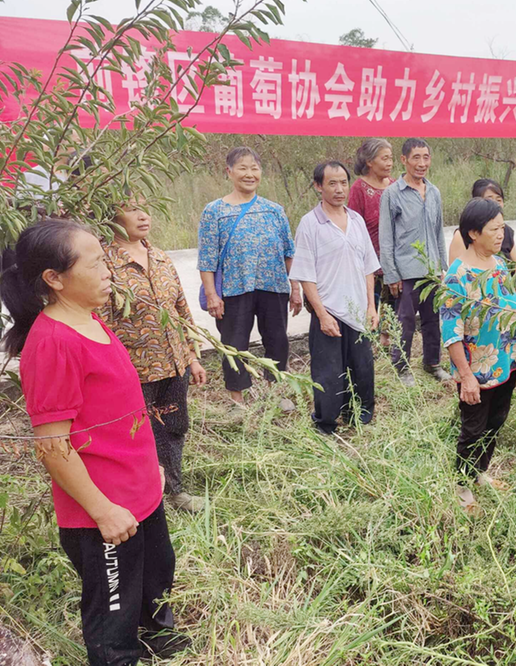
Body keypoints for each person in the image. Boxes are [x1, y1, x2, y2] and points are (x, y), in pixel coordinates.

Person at [2, 218, 191, 664]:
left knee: (155, 577)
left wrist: (150, 467)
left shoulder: (90, 320)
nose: (109, 271)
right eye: (96, 264)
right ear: (55, 278)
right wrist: (103, 510)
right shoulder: (52, 344)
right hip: (101, 511)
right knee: (113, 614)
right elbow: (53, 446)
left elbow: (118, 412)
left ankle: (158, 638)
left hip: (140, 492)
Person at [100, 200, 208, 513]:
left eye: (145, 208)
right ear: (112, 216)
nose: (143, 215)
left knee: (173, 429)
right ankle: (145, 501)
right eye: (132, 209)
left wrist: (192, 357)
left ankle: (175, 492)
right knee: (135, 437)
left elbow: (181, 311)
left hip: (174, 365)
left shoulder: (159, 257)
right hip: (134, 370)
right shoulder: (105, 263)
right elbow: (103, 324)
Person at [441, 198, 516, 513]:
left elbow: (514, 309)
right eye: (494, 229)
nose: (501, 234)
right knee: (473, 427)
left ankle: (479, 473)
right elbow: (452, 333)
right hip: (477, 369)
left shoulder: (500, 264)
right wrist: (466, 376)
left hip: (505, 361)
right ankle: (461, 484)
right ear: (473, 233)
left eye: (502, 227)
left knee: (496, 421)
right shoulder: (458, 277)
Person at [197, 146, 300, 407]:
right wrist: (212, 295)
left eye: (254, 168)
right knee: (234, 346)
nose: (249, 174)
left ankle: (276, 391)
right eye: (243, 168)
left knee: (277, 340)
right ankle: (237, 399)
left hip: (273, 286)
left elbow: (289, 252)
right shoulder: (214, 211)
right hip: (233, 290)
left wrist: (295, 288)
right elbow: (207, 259)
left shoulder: (274, 210)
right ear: (229, 172)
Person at [290, 161, 380, 436]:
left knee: (363, 370)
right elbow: (306, 275)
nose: (339, 189)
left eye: (343, 182)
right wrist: (322, 314)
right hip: (329, 312)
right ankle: (326, 424)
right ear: (319, 186)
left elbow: (368, 267)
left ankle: (359, 417)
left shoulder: (356, 220)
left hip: (358, 311)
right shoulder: (310, 223)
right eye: (332, 183)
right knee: (328, 375)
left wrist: (371, 306)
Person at [378, 137, 449, 387]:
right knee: (405, 322)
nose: (421, 163)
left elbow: (439, 231)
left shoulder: (434, 192)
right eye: (416, 157)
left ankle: (432, 363)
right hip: (406, 271)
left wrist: (444, 269)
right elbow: (386, 238)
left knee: (433, 321)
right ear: (404, 160)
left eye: (425, 157)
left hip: (431, 272)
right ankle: (402, 367)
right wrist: (391, 274)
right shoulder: (392, 194)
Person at [348, 138, 395, 329]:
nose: (389, 163)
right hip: (369, 266)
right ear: (370, 161)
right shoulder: (358, 189)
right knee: (370, 315)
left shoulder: (395, 185)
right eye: (384, 158)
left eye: (391, 158)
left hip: (393, 263)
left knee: (393, 317)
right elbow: (353, 229)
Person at [447, 179, 516, 265]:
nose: (494, 204)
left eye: (498, 200)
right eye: (489, 200)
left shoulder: (500, 264)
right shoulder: (461, 236)